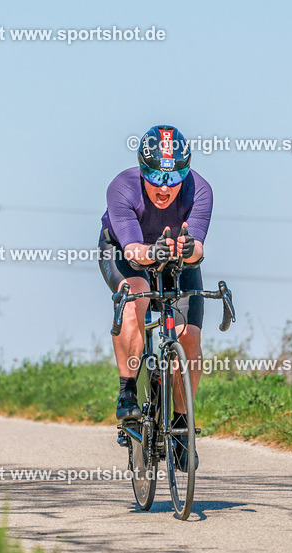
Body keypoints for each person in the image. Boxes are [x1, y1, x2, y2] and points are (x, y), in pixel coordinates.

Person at [98, 124, 212, 470]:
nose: (164, 188)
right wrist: (154, 251)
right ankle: (127, 393)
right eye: (155, 177)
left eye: (175, 177)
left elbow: (199, 250)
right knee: (136, 295)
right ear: (142, 169)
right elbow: (133, 251)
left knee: (189, 337)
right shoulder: (123, 187)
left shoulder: (200, 190)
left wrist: (188, 249)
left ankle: (180, 425)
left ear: (186, 171)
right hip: (123, 252)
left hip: (175, 258)